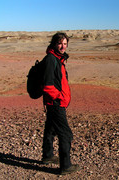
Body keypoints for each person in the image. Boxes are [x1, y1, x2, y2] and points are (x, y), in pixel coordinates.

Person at [41, 32, 80, 175]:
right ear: (54, 44)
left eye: (65, 44)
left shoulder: (58, 58)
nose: (63, 47)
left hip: (55, 102)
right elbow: (48, 85)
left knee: (50, 129)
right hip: (56, 103)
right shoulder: (52, 59)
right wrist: (59, 98)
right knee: (66, 134)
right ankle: (65, 166)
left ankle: (48, 156)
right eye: (60, 43)